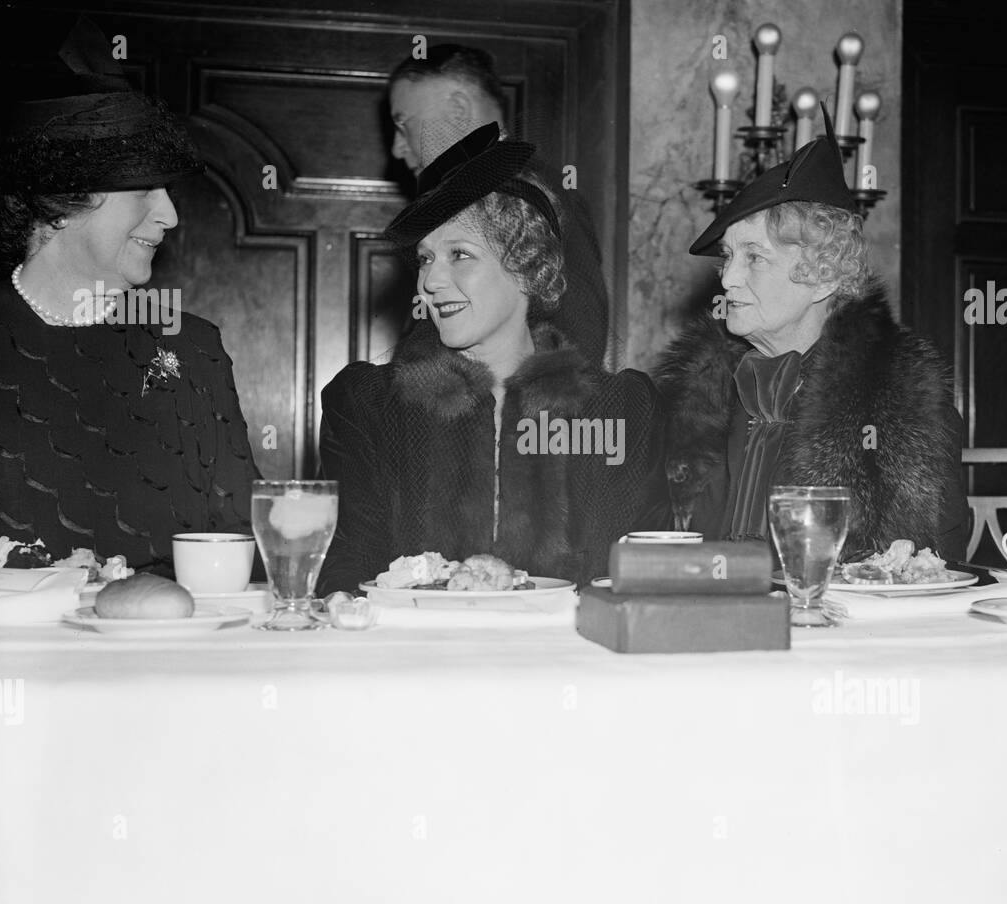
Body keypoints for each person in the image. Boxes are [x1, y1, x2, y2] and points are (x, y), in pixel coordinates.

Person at [317, 123, 661, 595]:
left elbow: (644, 571)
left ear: (526, 267)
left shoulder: (618, 410)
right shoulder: (370, 404)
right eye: (424, 258)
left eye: (459, 254)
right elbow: (346, 560)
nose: (430, 282)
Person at [0, 16, 258, 571]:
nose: (170, 215)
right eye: (142, 190)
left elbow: (242, 546)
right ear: (63, 203)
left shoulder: (191, 346)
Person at [653, 108, 971, 561]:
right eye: (728, 257)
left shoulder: (900, 401)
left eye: (755, 258)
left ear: (822, 277)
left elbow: (931, 566)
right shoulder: (704, 395)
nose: (727, 280)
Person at [387, 43, 611, 364]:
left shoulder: (540, 197)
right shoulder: (443, 207)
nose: (397, 148)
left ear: (458, 109)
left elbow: (579, 344)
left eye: (402, 122)